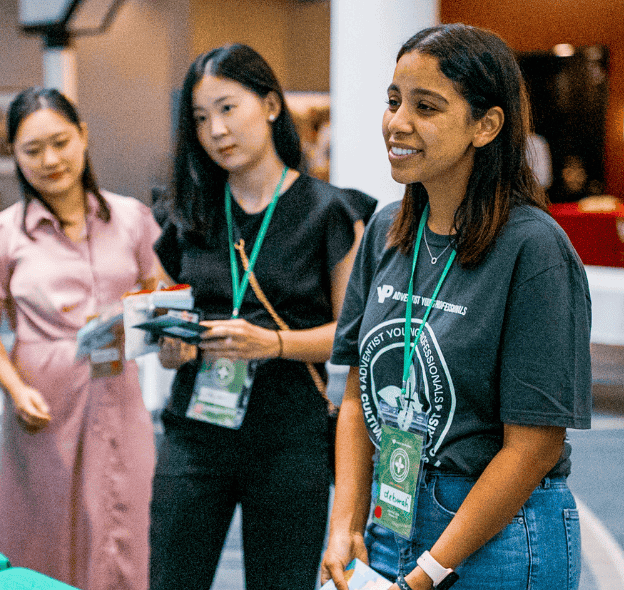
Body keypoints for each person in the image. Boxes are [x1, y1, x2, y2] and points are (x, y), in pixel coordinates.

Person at [323, 24, 591, 590]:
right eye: (394, 101)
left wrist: (430, 570)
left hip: (497, 535)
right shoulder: (385, 232)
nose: (397, 122)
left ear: (486, 125)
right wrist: (343, 520)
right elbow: (353, 395)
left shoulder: (533, 249)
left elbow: (535, 446)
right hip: (390, 516)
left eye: (426, 107)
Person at [151, 44, 363, 590]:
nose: (216, 130)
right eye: (200, 118)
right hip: (196, 430)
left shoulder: (328, 210)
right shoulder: (186, 213)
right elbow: (163, 305)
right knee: (172, 580)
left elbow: (353, 334)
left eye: (227, 108)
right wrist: (172, 342)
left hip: (291, 436)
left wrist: (272, 345)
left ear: (270, 106)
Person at [0, 87, 165, 590]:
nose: (50, 160)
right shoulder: (1, 233)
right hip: (42, 399)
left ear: (83, 136)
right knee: (45, 530)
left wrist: (161, 327)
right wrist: (15, 390)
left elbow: (159, 289)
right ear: (14, 155)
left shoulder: (129, 218)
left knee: (122, 522)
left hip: (118, 392)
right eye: (32, 150)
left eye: (60, 142)